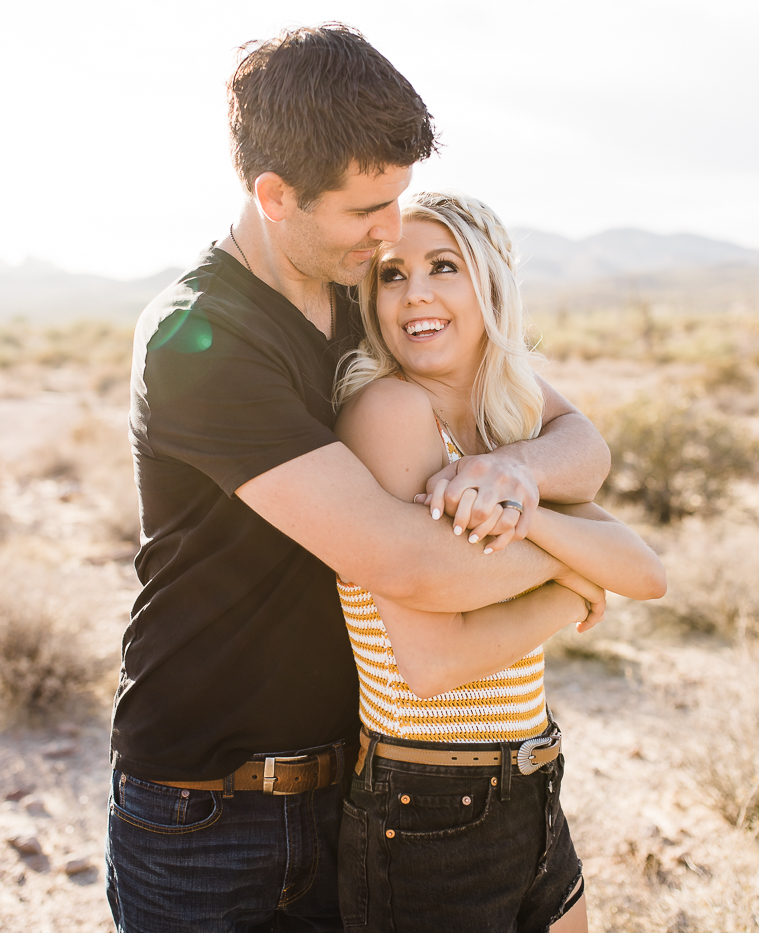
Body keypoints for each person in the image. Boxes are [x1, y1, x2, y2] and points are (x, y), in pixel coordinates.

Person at [107, 24, 612, 933]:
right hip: (208, 814)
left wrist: (512, 471)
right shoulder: (199, 340)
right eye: (364, 211)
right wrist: (584, 563)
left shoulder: (370, 296)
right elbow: (412, 565)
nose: (391, 235)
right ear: (274, 195)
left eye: (399, 200)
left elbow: (577, 433)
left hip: (360, 784)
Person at [333, 191, 667, 933]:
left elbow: (647, 571)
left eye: (442, 266)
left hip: (532, 777)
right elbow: (430, 663)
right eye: (392, 274)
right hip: (425, 802)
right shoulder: (389, 411)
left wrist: (525, 497)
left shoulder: (499, 419)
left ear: (489, 285)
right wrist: (571, 587)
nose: (415, 290)